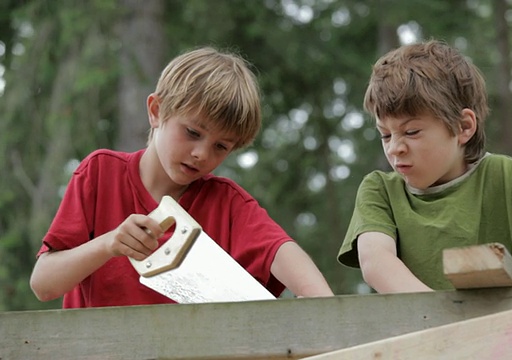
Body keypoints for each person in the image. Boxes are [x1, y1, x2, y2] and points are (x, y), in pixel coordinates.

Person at [30, 46, 333, 307]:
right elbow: (44, 285)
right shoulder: (99, 174)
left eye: (221, 146)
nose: (202, 154)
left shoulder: (228, 204)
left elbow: (287, 257)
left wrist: (321, 306)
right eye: (192, 132)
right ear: (156, 111)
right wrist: (110, 244)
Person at [337, 40, 512, 293]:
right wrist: (445, 322)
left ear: (463, 126)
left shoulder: (506, 178)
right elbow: (375, 261)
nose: (394, 147)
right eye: (386, 134)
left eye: (411, 132)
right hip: (422, 343)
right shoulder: (381, 191)